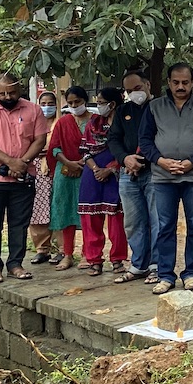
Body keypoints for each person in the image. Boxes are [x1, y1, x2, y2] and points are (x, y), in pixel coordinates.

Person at [139, 63, 193, 294]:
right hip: (163, 177)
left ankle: (191, 273)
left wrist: (192, 162)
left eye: (185, 82)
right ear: (169, 82)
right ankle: (166, 275)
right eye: (176, 82)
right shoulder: (155, 107)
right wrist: (160, 161)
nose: (180, 87)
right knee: (165, 226)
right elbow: (145, 140)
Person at [0, 73, 48, 283]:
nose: (7, 97)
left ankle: (15, 264)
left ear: (20, 89)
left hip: (23, 177)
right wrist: (10, 162)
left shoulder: (33, 110)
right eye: (2, 93)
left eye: (11, 92)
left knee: (19, 224)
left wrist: (21, 163)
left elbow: (39, 140)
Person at [107, 69, 157, 283]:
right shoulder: (123, 111)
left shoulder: (160, 108)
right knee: (133, 221)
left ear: (147, 85)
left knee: (158, 220)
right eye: (128, 91)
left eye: (137, 88)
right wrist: (125, 159)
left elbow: (163, 138)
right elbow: (113, 139)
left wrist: (143, 159)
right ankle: (139, 265)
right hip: (128, 173)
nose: (133, 93)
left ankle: (157, 265)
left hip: (155, 171)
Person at [78, 87, 129, 276]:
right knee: (90, 217)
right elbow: (84, 150)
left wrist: (110, 169)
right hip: (92, 174)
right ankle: (94, 260)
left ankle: (117, 259)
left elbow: (128, 149)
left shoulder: (125, 124)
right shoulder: (93, 123)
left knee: (116, 219)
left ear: (112, 104)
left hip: (116, 174)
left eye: (100, 102)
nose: (98, 106)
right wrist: (95, 169)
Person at [49, 86, 92, 271]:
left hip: (89, 170)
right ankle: (67, 254)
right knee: (65, 211)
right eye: (71, 103)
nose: (74, 106)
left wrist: (84, 162)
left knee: (88, 213)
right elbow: (54, 147)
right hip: (65, 171)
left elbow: (100, 145)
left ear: (85, 100)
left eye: (78, 102)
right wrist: (69, 163)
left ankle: (87, 254)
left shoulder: (95, 121)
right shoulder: (63, 122)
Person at [28, 90, 59, 264]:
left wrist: (49, 152)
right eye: (43, 104)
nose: (47, 107)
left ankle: (63, 250)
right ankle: (42, 249)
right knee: (37, 209)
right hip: (36, 169)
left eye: (51, 104)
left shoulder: (61, 122)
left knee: (58, 207)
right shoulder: (33, 123)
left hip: (57, 168)